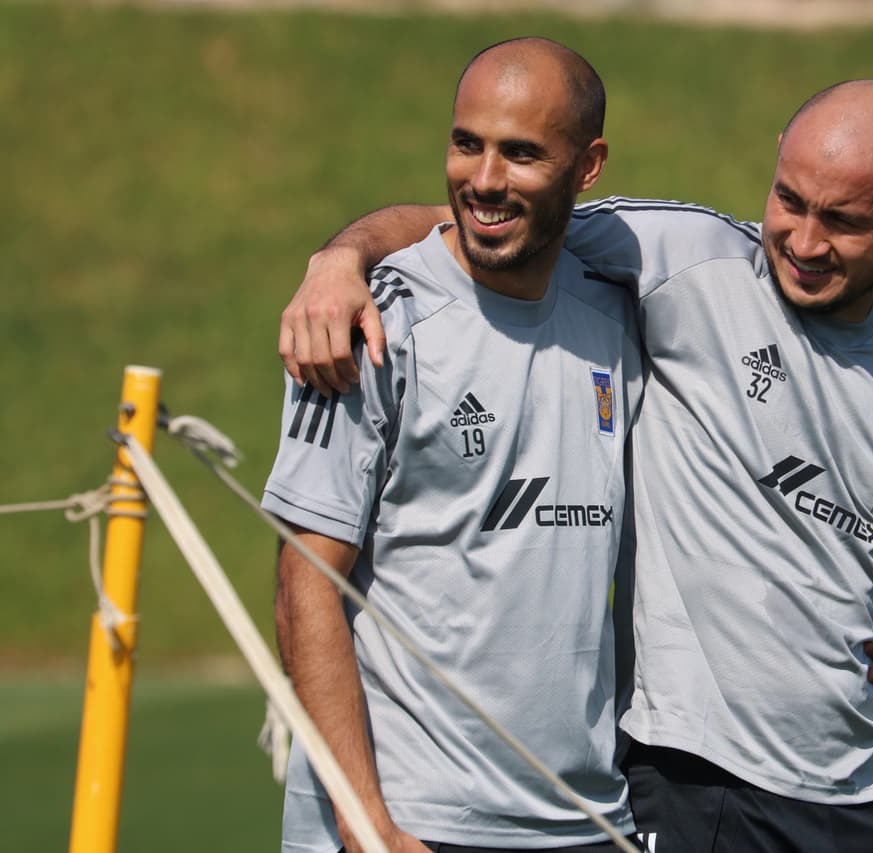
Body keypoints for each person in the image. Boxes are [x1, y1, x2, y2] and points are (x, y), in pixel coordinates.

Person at [281, 79, 873, 852]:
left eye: (844, 221)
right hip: (692, 782)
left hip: (867, 797)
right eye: (790, 201)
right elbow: (491, 218)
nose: (806, 243)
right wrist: (341, 258)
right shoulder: (680, 257)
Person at [264, 38, 645, 852]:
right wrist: (369, 825)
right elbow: (305, 584)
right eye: (467, 142)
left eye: (521, 153)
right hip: (411, 822)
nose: (483, 179)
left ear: (589, 166)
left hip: (585, 823)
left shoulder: (621, 316)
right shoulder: (372, 323)